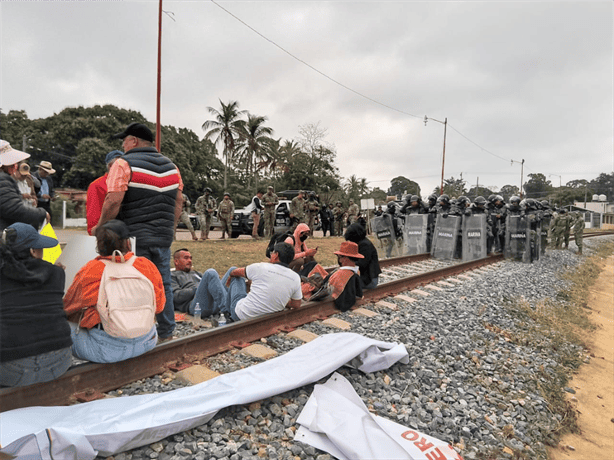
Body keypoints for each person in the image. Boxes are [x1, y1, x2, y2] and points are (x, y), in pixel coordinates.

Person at [91, 122, 182, 342]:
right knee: (163, 283)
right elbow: (178, 203)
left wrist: (101, 226)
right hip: (162, 237)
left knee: (133, 283)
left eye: (124, 140)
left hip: (135, 237)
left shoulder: (124, 163)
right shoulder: (172, 166)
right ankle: (166, 331)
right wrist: (169, 227)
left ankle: (137, 332)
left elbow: (113, 200)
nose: (123, 145)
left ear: (133, 141)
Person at [63, 220, 165, 363]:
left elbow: (68, 307)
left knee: (61, 325)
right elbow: (159, 307)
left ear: (98, 245)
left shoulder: (91, 269)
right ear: (128, 243)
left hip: (105, 350)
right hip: (147, 341)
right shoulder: (146, 265)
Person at [0, 223, 72, 387]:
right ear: (33, 251)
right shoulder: (57, 273)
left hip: (10, 371)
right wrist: (55, 271)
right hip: (59, 362)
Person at [185, 242, 302, 322]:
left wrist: (231, 277)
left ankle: (225, 310)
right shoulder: (295, 277)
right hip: (266, 319)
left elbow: (235, 272)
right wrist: (280, 299)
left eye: (272, 253)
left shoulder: (261, 267)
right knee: (236, 274)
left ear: (276, 255)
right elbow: (296, 305)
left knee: (233, 271)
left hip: (240, 314)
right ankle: (223, 303)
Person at [0, 140, 49, 232]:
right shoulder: (2, 179)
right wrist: (42, 213)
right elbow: (14, 210)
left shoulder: (29, 181)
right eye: (12, 164)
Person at [86, 150, 123, 235]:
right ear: (110, 166)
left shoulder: (126, 183)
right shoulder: (97, 185)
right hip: (108, 234)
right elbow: (93, 215)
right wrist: (95, 231)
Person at [344, 222, 381, 289]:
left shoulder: (365, 245)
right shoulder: (362, 243)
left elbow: (362, 263)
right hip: (366, 277)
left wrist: (347, 264)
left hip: (369, 280)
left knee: (344, 285)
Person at [170, 248, 202, 313]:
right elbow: (176, 296)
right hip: (195, 305)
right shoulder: (172, 276)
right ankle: (224, 307)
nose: (190, 261)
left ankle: (225, 306)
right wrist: (198, 288)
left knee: (228, 273)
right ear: (176, 261)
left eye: (190, 258)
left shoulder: (197, 273)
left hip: (211, 301)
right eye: (186, 258)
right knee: (211, 273)